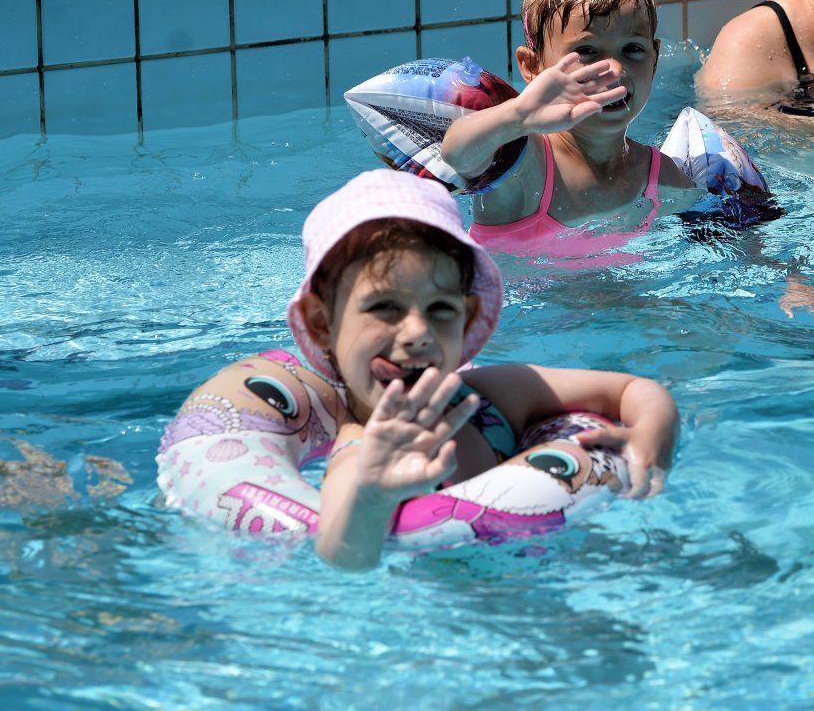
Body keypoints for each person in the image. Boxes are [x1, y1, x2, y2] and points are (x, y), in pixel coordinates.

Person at [181, 169, 677, 570]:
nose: (417, 332)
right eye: (385, 307)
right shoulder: (363, 447)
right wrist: (375, 494)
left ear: (466, 321)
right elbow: (341, 554)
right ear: (323, 323)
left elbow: (635, 390)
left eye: (440, 310)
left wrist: (651, 439)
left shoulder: (494, 398)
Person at [440, 0, 707, 257]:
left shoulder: (659, 176)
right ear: (532, 66)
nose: (615, 69)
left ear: (655, 58)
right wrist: (517, 117)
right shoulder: (524, 166)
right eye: (587, 51)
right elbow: (456, 154)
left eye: (632, 49)